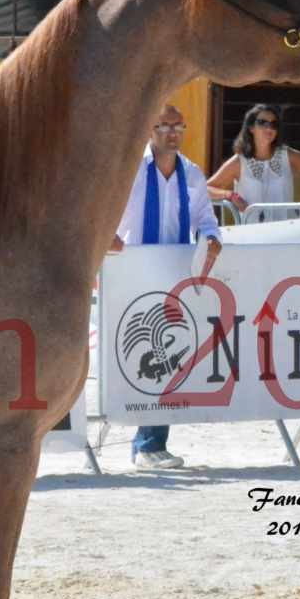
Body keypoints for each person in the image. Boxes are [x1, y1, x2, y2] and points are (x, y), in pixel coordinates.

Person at [109, 104, 225, 470]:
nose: (173, 132)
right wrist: (106, 235)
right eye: (165, 125)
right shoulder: (126, 168)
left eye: (179, 125)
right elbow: (103, 207)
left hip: (173, 273)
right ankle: (124, 441)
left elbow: (205, 218)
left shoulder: (191, 173)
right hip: (129, 271)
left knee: (166, 355)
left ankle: (150, 444)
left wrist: (211, 237)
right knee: (125, 356)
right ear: (149, 128)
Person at [203, 104, 300, 222]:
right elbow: (205, 189)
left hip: (287, 233)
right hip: (251, 236)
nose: (269, 127)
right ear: (251, 127)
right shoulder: (239, 162)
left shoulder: (288, 155)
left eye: (274, 124)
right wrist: (230, 195)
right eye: (262, 122)